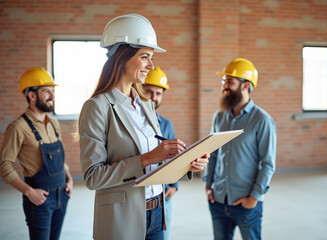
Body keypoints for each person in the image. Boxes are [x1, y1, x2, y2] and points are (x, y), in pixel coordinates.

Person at [78, 13, 209, 240]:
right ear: (122, 57)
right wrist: (146, 158)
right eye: (145, 57)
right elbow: (93, 177)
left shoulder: (145, 104)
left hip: (158, 212)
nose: (151, 65)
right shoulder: (96, 107)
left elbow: (158, 161)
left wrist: (188, 165)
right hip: (123, 217)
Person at [202, 58, 277, 240]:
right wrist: (207, 184)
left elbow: (268, 164)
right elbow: (212, 153)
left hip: (246, 203)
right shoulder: (219, 116)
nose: (224, 86)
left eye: (229, 81)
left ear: (245, 86)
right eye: (223, 81)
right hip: (218, 201)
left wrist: (254, 198)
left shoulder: (262, 120)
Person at [0, 67, 73, 240]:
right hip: (39, 199)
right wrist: (28, 192)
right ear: (31, 96)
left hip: (62, 195)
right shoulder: (18, 127)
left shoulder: (54, 124)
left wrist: (68, 178)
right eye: (47, 92)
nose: (52, 97)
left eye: (53, 91)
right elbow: (4, 165)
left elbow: (59, 159)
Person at [143, 66, 179, 240]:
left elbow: (175, 157)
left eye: (158, 93)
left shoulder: (166, 124)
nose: (153, 98)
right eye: (149, 91)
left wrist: (174, 185)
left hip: (162, 197)